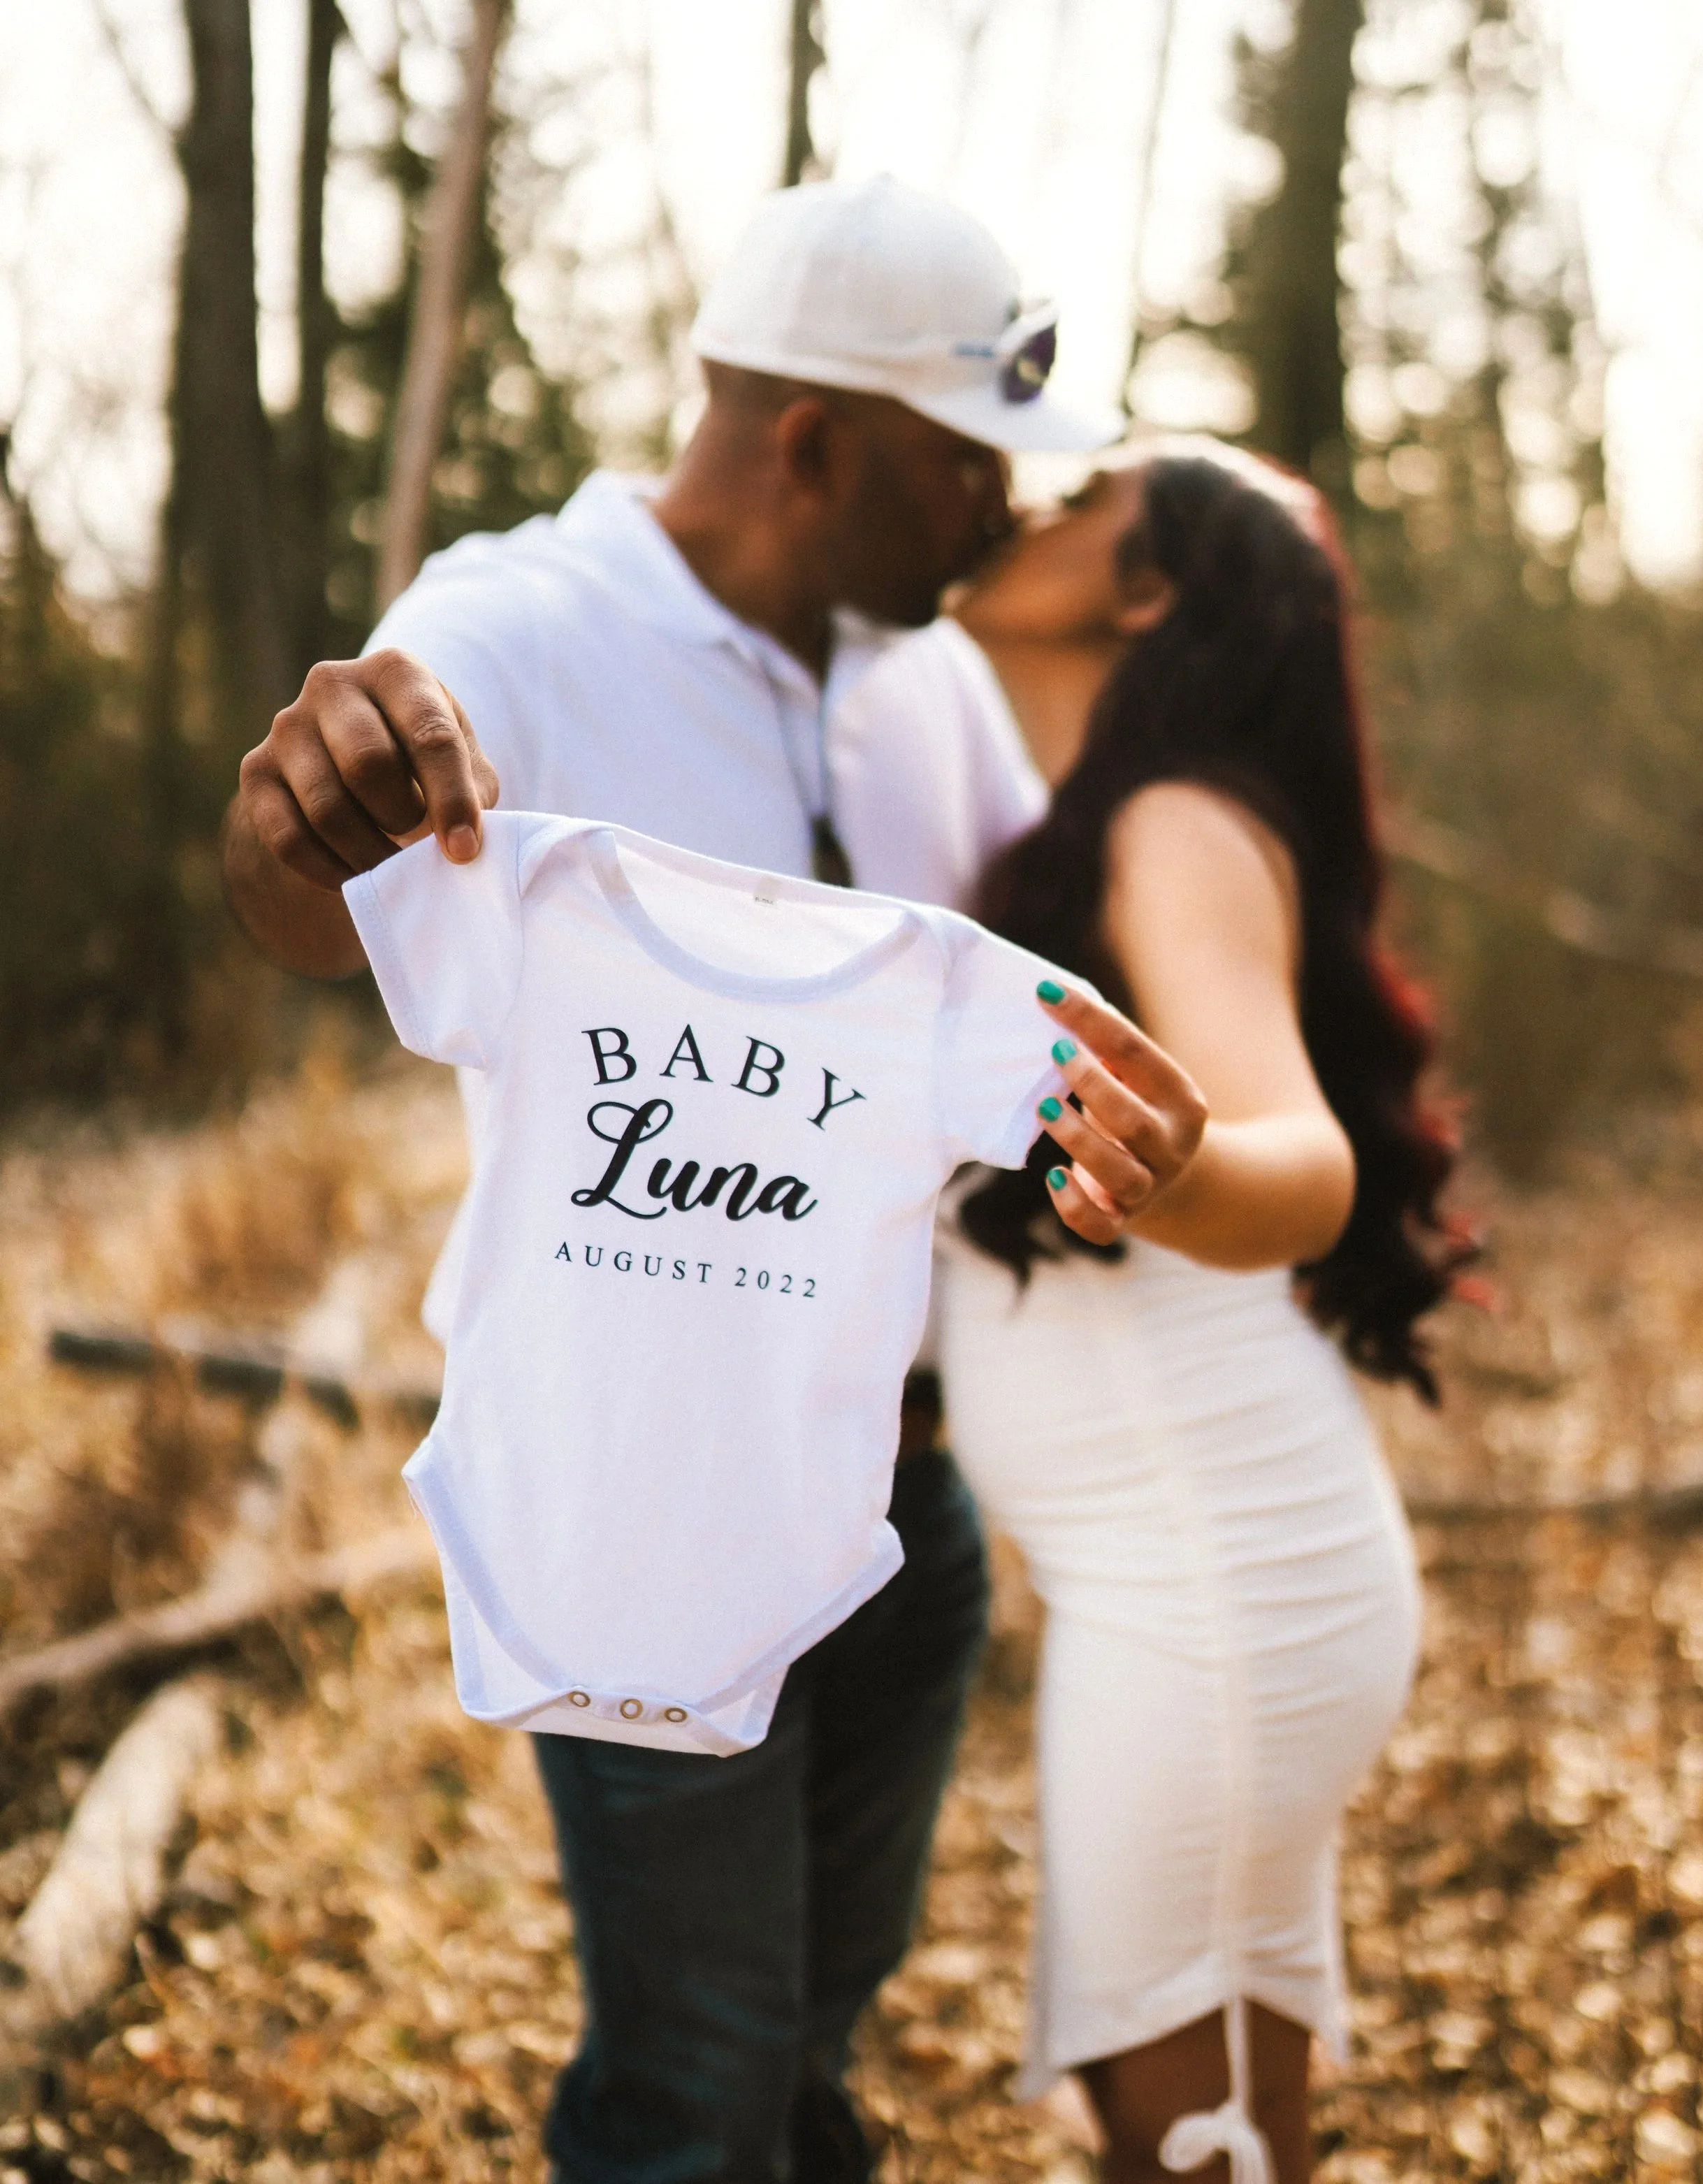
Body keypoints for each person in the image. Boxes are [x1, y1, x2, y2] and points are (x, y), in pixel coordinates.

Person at [221, 176, 1214, 2184]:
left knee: (815, 2042)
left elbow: (1055, 988)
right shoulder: (517, 626)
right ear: (814, 444)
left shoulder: (919, 674)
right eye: (963, 469)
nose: (995, 517)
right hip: (646, 1499)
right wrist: (292, 812)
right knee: (694, 2073)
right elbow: (321, 900)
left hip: (904, 1500)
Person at [939, 441, 1470, 2184]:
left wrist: (1170, 1172)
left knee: (1184, 2134)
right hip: (1198, 1584)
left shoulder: (1170, 821)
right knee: (1199, 2112)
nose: (1026, 491)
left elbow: (1300, 1164)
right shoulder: (1109, 817)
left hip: (1215, 1586)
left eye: (1081, 488)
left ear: (1146, 590)